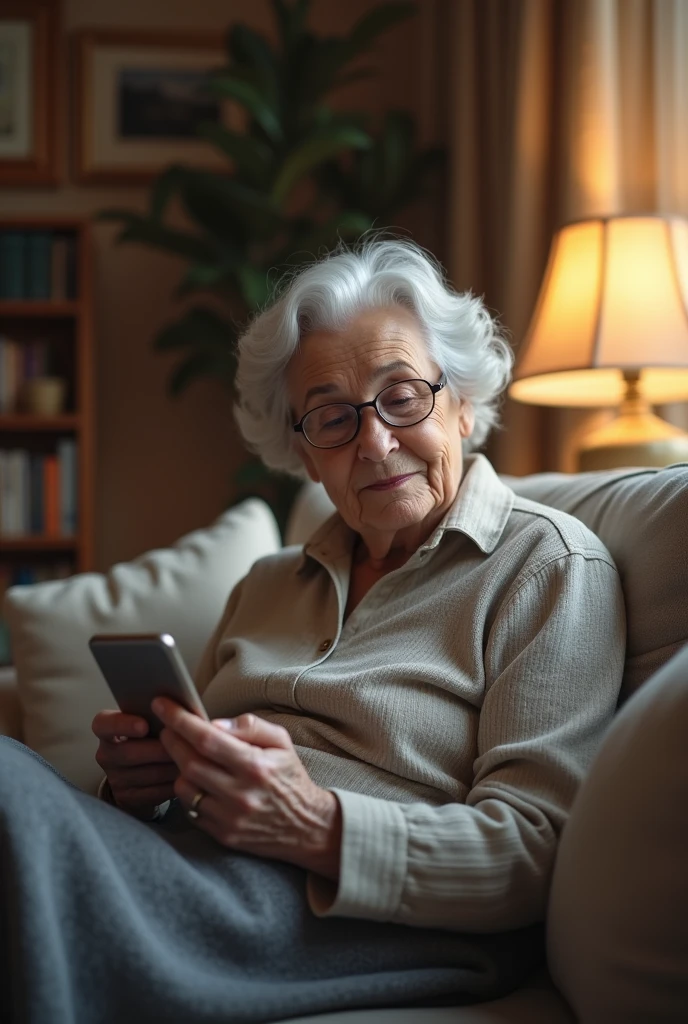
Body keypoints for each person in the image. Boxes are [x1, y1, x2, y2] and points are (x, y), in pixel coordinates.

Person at [0, 239, 625, 1023]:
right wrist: (143, 790)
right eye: (333, 418)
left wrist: (317, 827)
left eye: (403, 397)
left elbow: (535, 850)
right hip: (199, 870)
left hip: (360, 915)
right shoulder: (267, 584)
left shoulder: (548, 568)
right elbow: (187, 787)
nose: (374, 442)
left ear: (463, 402)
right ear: (303, 452)